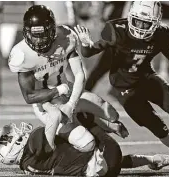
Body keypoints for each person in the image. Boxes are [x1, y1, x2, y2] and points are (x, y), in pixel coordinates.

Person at [74, 1, 169, 172]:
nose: (141, 27)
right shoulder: (116, 30)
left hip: (146, 77)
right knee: (159, 129)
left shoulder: (162, 33)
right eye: (137, 21)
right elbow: (90, 51)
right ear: (130, 17)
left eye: (146, 23)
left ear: (156, 22)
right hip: (124, 87)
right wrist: (85, 44)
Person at [8, 5, 129, 150]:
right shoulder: (22, 54)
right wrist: (59, 90)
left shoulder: (65, 38)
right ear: (27, 32)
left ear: (52, 31)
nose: (38, 41)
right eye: (34, 35)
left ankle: (88, 119)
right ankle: (48, 149)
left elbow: (79, 75)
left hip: (69, 91)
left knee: (111, 113)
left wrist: (71, 105)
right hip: (45, 103)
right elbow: (29, 96)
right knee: (87, 144)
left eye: (43, 34)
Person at [0, 114, 169, 177]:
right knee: (78, 114)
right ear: (13, 145)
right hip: (107, 156)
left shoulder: (26, 165)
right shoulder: (35, 140)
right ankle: (111, 126)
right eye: (8, 137)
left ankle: (150, 159)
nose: (16, 133)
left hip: (102, 171)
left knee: (81, 152)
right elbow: (55, 117)